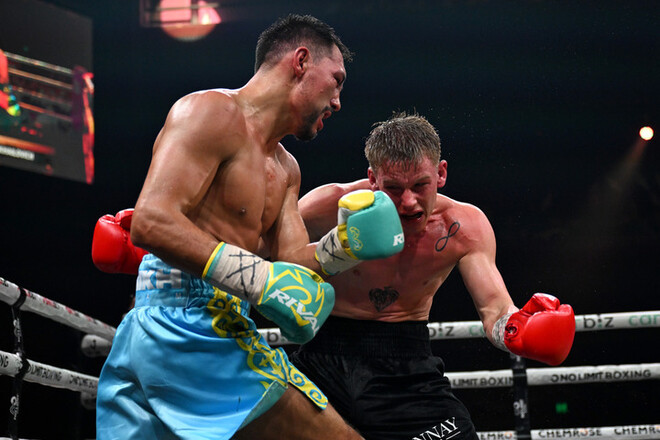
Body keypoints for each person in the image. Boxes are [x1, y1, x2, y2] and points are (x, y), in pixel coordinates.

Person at [94, 14, 405, 440]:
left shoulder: (286, 168)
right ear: (300, 61)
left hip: (200, 327)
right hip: (183, 326)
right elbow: (151, 221)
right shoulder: (210, 111)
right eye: (336, 80)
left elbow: (291, 262)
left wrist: (344, 246)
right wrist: (258, 278)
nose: (338, 101)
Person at [288, 111, 575, 440]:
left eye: (420, 185)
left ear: (441, 173)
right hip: (320, 360)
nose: (408, 202)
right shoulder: (329, 207)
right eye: (393, 188)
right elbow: (264, 248)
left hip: (406, 367)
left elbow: (494, 308)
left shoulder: (464, 228)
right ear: (372, 178)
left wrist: (516, 330)